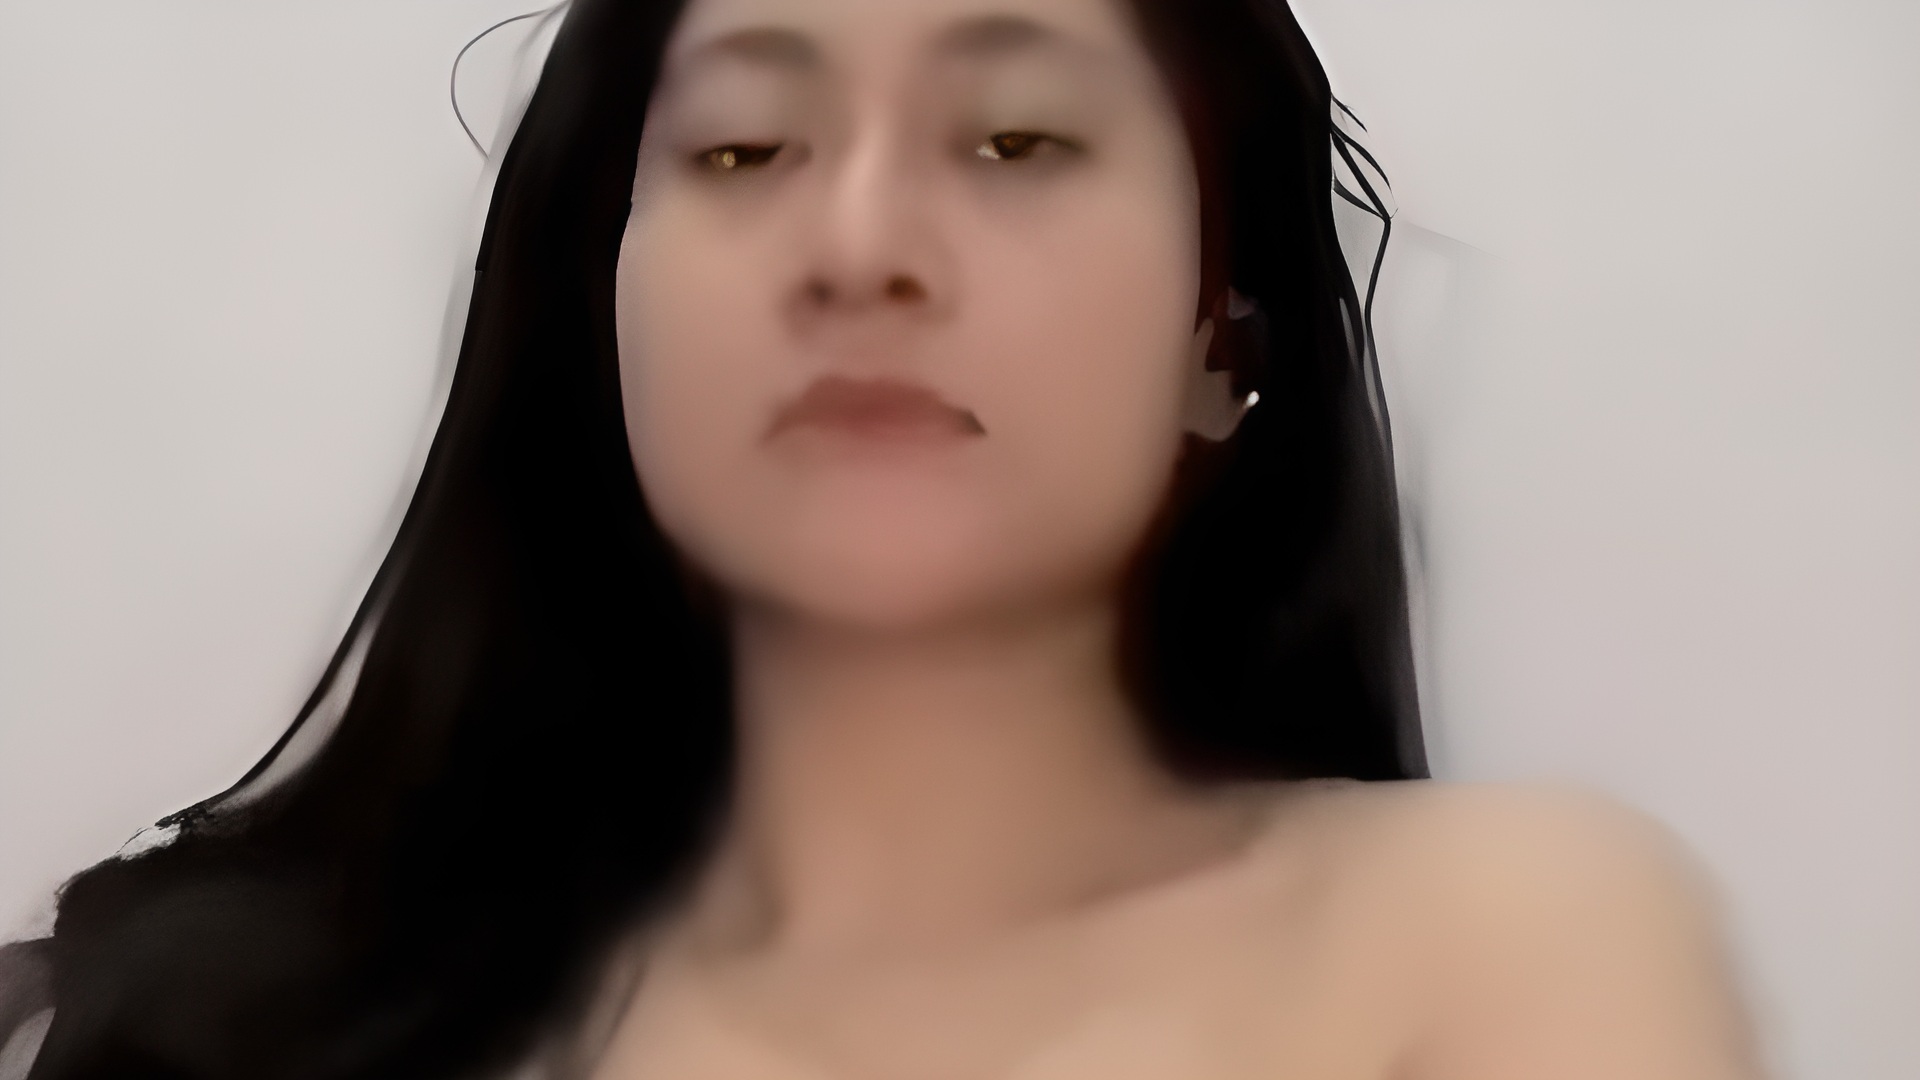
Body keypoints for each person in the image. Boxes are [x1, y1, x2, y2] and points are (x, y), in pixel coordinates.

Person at [0, 0, 1761, 1077]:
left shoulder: (1506, 941)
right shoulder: (202, 1025)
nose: (859, 245)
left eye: (1016, 138)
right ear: (601, 312)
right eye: (744, 148)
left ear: (1223, 341)